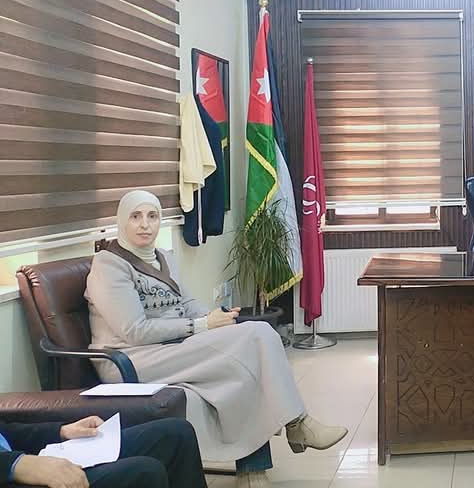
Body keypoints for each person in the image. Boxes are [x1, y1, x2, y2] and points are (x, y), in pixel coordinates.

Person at [84, 191, 348, 488]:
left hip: (171, 348)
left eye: (152, 216)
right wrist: (201, 325)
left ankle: (254, 469)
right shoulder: (109, 266)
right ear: (122, 220)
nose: (145, 224)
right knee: (258, 335)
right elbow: (135, 330)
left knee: (245, 365)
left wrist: (214, 318)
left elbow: (188, 302)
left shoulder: (163, 257)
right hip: (130, 359)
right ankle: (297, 424)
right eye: (136, 216)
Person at [1, 416, 206, 488]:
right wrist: (14, 464)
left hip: (21, 457)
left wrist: (60, 431)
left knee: (175, 433)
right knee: (144, 471)